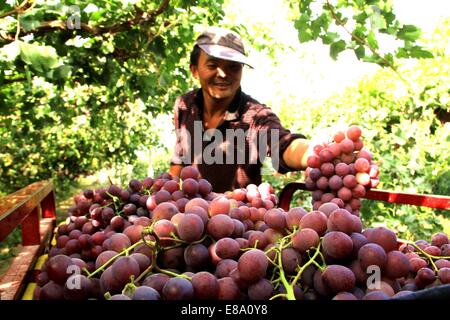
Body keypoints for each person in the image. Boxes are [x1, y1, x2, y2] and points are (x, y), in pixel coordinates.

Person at [169, 26, 312, 193]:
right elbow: (179, 157)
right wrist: (169, 195)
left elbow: (283, 145)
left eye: (233, 67)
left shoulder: (255, 117)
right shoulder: (185, 106)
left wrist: (315, 154)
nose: (222, 74)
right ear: (194, 70)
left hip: (237, 216)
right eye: (212, 65)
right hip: (191, 216)